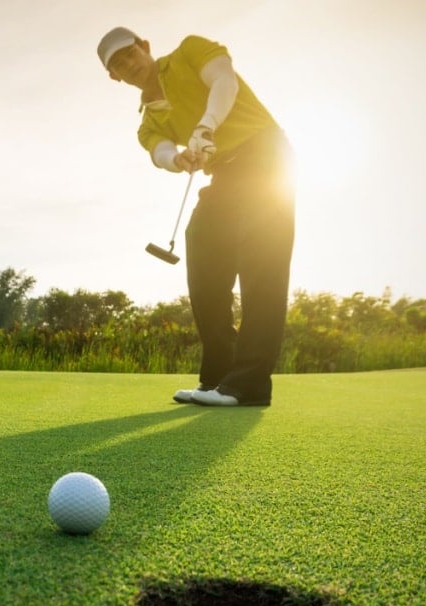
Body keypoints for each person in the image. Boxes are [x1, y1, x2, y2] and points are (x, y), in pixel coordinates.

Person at [97, 27, 295, 407]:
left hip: (267, 156)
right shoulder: (147, 123)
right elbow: (161, 152)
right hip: (223, 174)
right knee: (202, 251)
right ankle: (219, 377)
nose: (129, 64)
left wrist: (205, 126)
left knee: (261, 267)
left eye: (130, 53)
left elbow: (224, 80)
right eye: (119, 64)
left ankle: (250, 384)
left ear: (145, 47)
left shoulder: (190, 50)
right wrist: (180, 158)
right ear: (114, 77)